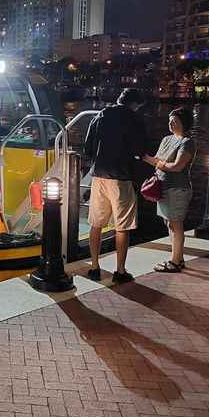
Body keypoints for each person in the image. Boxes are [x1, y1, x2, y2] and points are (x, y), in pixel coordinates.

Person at [83, 87, 148, 283]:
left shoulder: (101, 114)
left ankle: (94, 267)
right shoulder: (134, 119)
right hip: (122, 178)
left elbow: (88, 147)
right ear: (135, 104)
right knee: (122, 226)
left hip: (100, 175)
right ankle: (120, 271)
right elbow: (141, 149)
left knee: (96, 223)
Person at [142, 108, 196, 272]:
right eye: (170, 121)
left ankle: (175, 261)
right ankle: (177, 258)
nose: (171, 124)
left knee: (176, 223)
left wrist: (156, 163)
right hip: (163, 186)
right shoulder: (166, 139)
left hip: (177, 188)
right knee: (169, 223)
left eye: (175, 121)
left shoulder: (187, 142)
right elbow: (158, 160)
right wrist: (155, 161)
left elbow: (177, 166)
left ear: (184, 123)